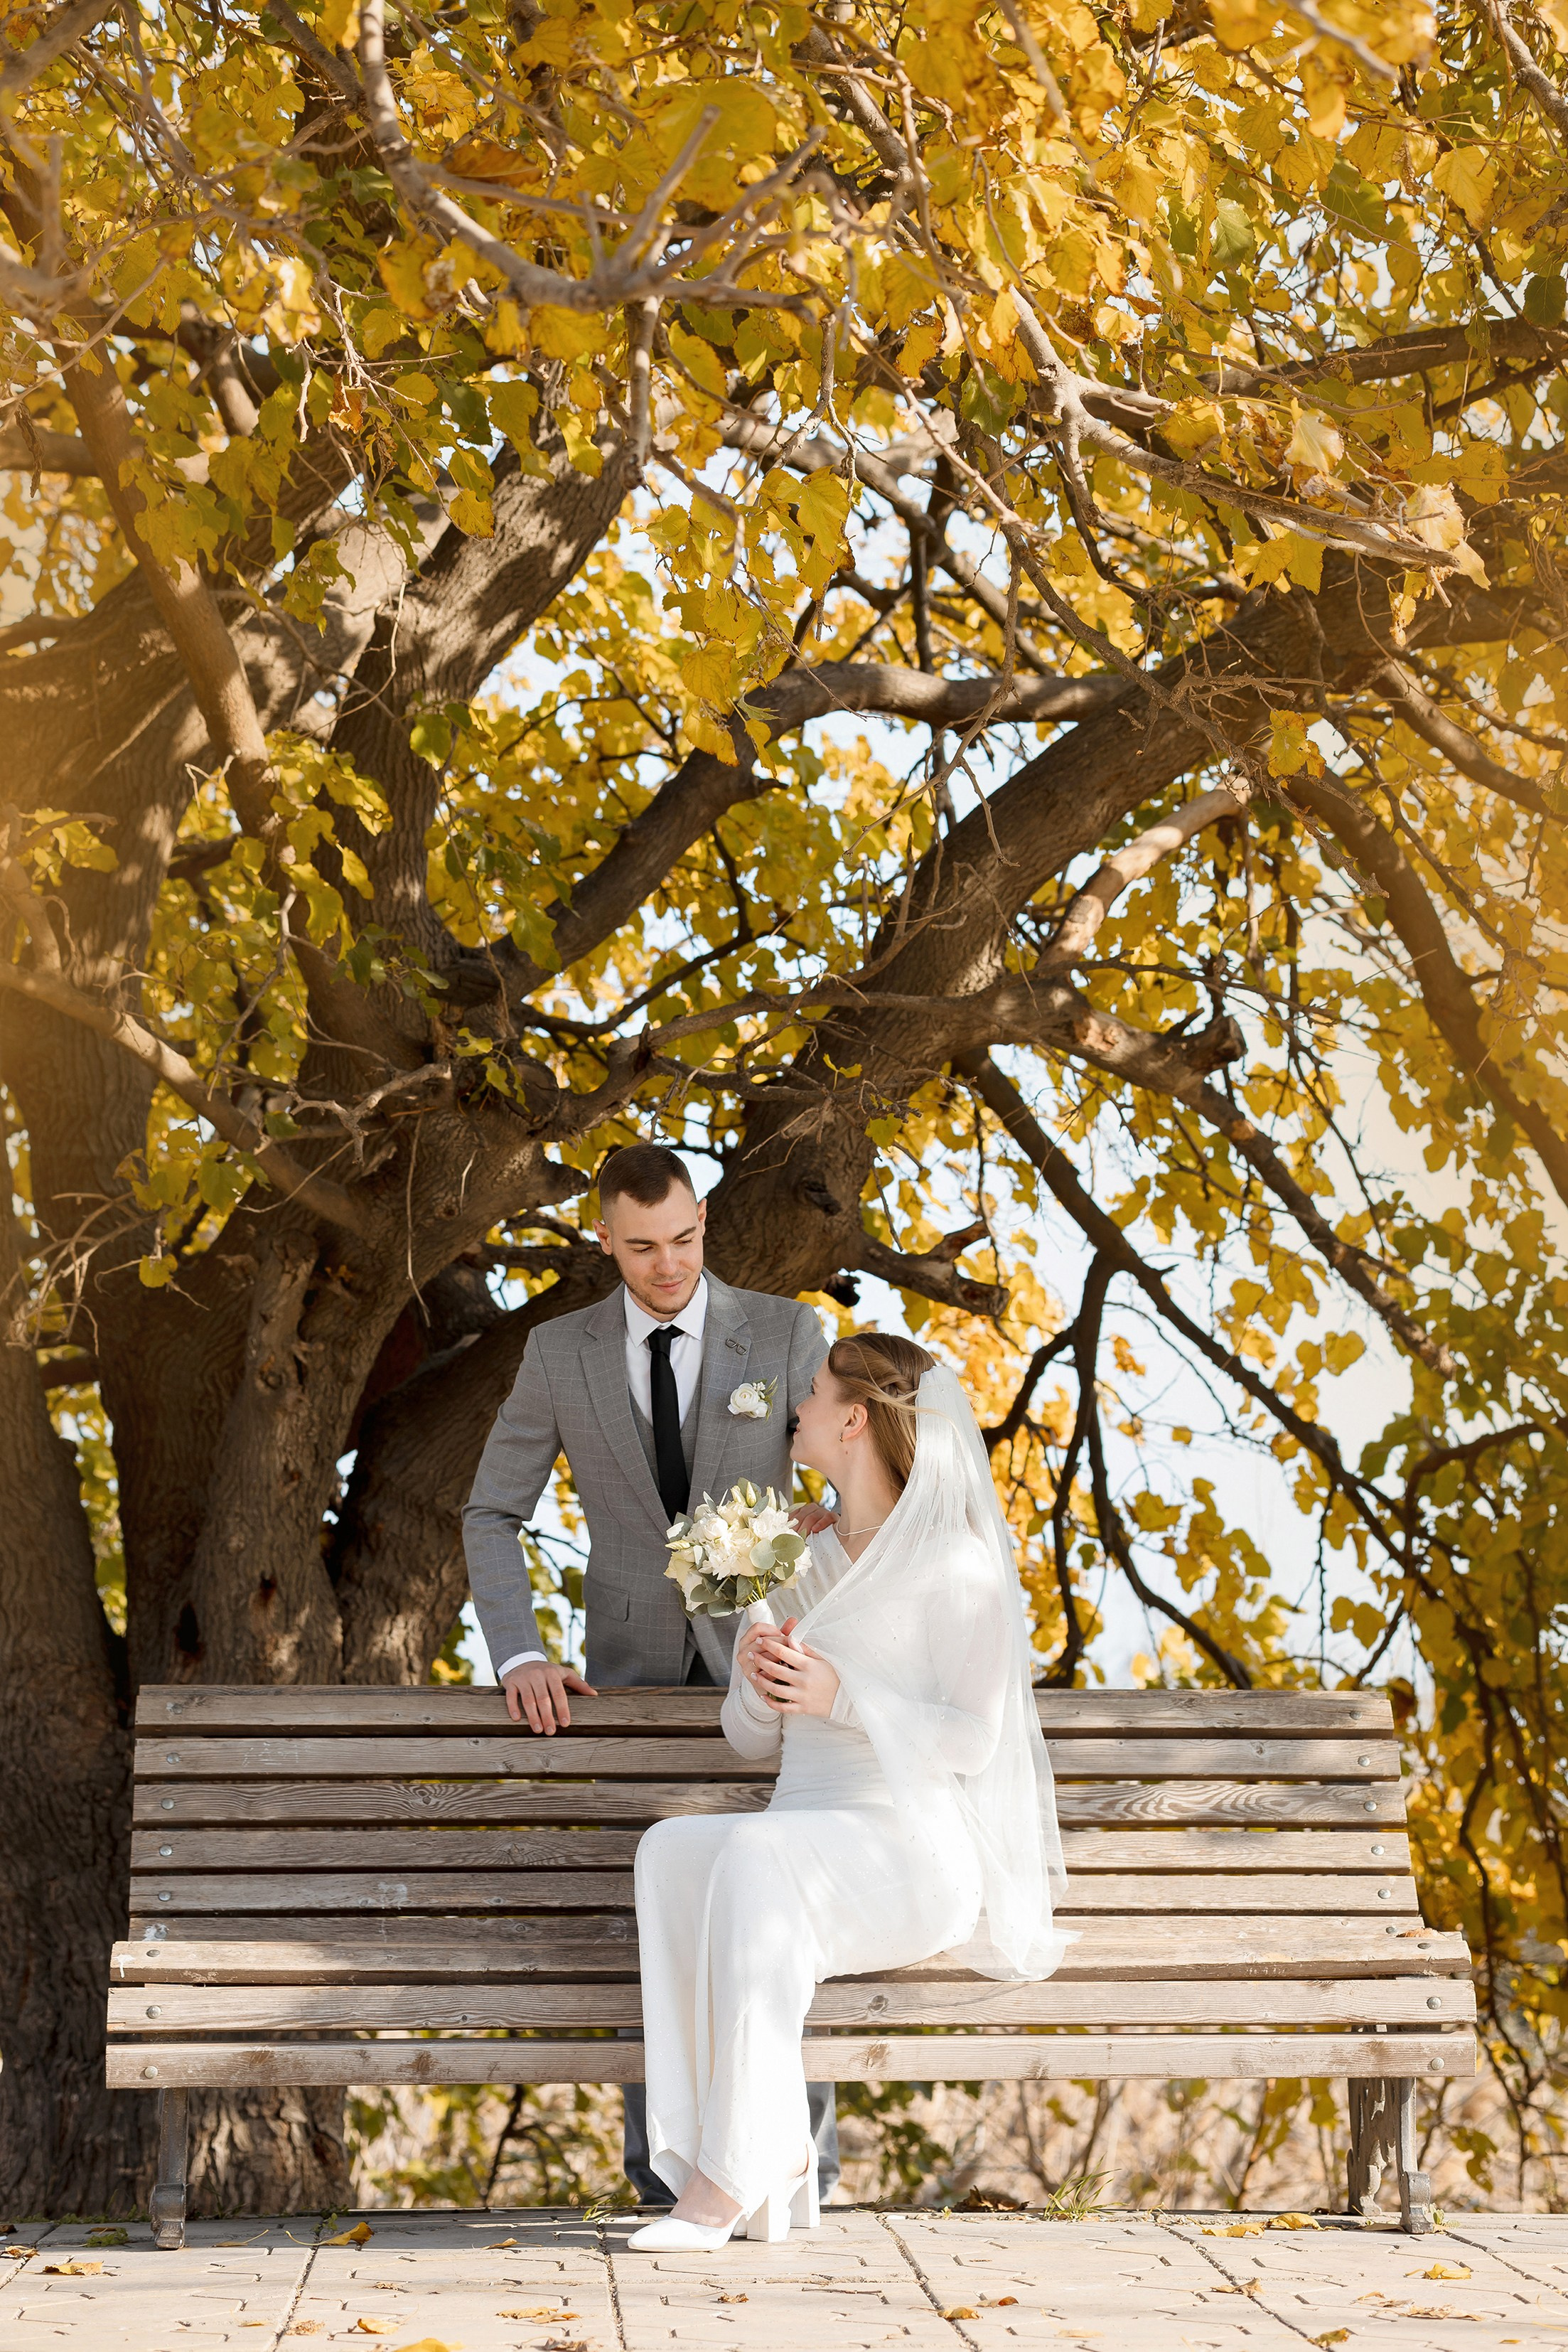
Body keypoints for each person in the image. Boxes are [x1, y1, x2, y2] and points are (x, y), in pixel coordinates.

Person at [625, 1331, 1070, 2251]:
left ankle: (723, 2179)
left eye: (817, 1390)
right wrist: (754, 1680)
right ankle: (768, 2143)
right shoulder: (791, 1555)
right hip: (797, 1843)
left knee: (753, 1854)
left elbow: (974, 1737)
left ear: (854, 1420)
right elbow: (751, 1740)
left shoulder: (958, 1565)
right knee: (670, 1850)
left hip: (907, 1850)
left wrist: (848, 1698)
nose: (800, 1404)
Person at [461, 1140, 839, 2206]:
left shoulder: (785, 1328)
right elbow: (491, 1510)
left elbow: (862, 1466)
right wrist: (520, 1650)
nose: (666, 1265)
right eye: (640, 1248)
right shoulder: (556, 1353)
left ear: (702, 1224)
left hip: (770, 1662)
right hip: (626, 1668)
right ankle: (667, 2179)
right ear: (604, 1241)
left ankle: (802, 2173)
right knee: (657, 1914)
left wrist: (823, 1526)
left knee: (780, 1907)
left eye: (682, 1240)